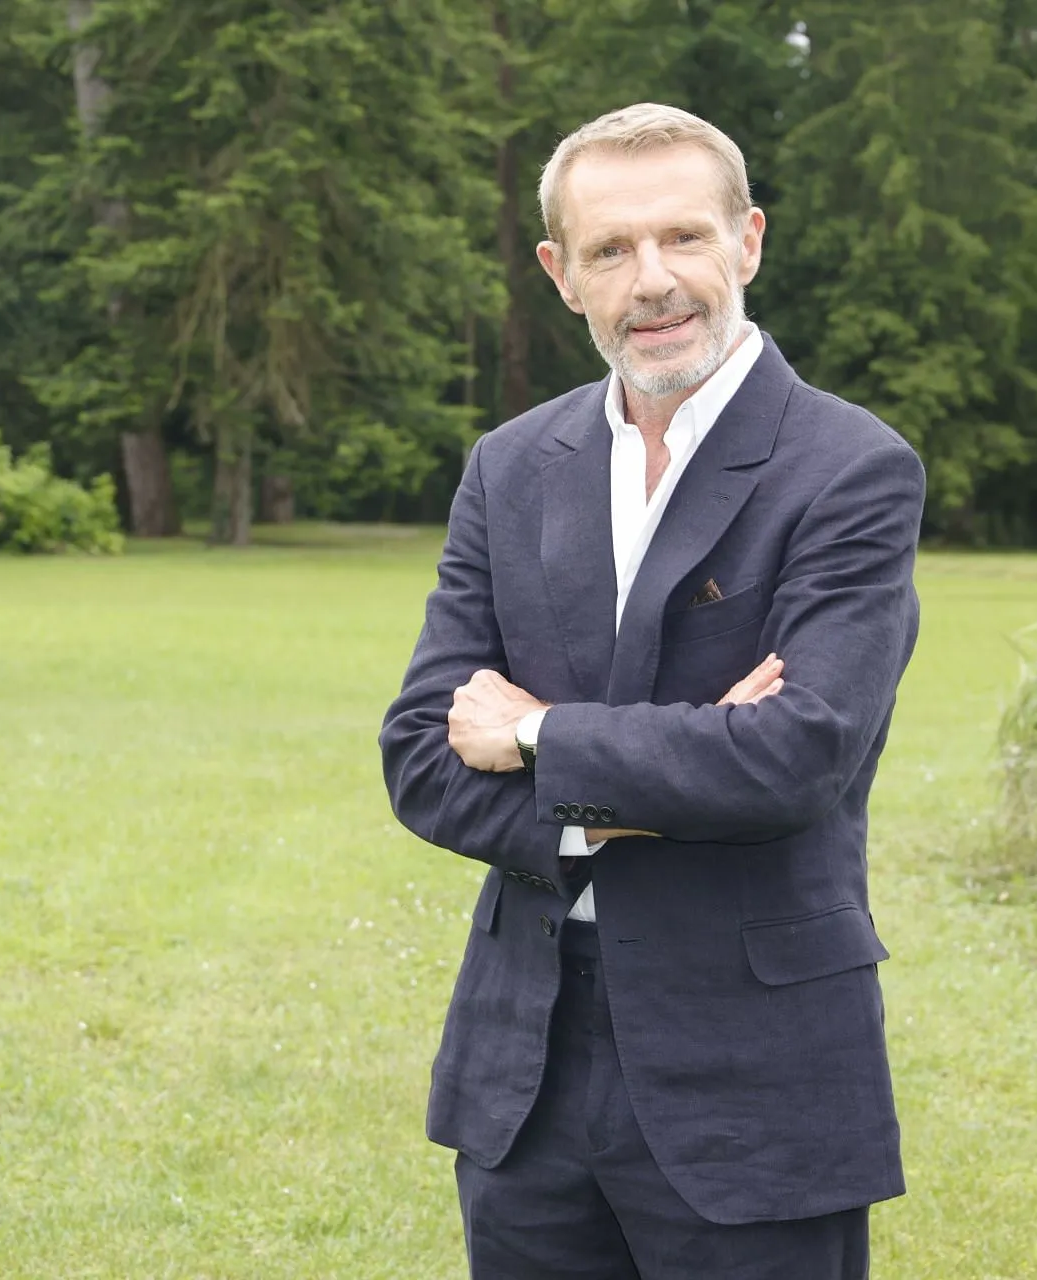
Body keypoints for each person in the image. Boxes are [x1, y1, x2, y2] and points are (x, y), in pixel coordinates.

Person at [379, 102, 925, 1279]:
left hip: (757, 1072)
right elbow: (424, 756)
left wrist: (533, 731)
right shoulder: (511, 467)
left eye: (683, 237)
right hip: (526, 1064)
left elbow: (795, 758)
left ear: (749, 242)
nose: (655, 281)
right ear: (560, 274)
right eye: (612, 250)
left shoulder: (851, 469)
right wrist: (676, 768)